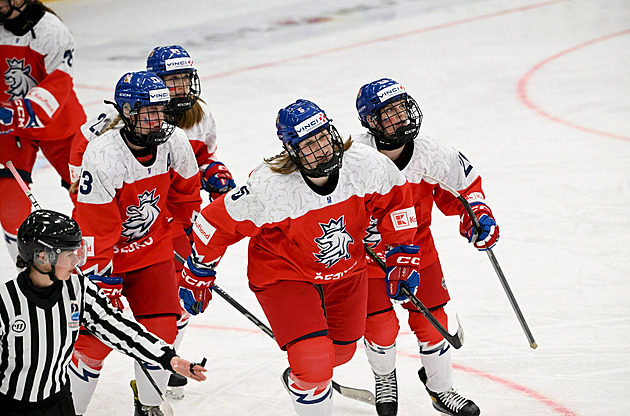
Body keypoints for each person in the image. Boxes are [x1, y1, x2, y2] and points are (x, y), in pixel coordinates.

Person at [180, 98, 421, 416]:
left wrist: (402, 252)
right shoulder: (272, 188)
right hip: (285, 273)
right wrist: (199, 270)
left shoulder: (364, 164)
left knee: (342, 353)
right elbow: (215, 222)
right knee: (314, 361)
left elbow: (396, 199)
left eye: (324, 137)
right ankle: (309, 378)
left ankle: (305, 379)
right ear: (291, 152)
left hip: (345, 269)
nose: (321, 149)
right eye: (309, 145)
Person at [354, 78, 500, 416]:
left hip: (417, 251)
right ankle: (385, 379)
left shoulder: (433, 154)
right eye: (387, 113)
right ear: (370, 122)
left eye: (401, 108)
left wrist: (476, 215)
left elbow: (465, 190)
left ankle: (441, 388)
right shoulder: (355, 158)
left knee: (433, 319)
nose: (399, 117)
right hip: (369, 258)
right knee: (379, 326)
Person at [68, 71, 202, 416]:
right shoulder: (103, 155)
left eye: (162, 110)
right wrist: (98, 278)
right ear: (127, 112)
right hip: (103, 257)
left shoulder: (176, 143)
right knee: (93, 345)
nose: (159, 119)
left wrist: (190, 248)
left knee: (161, 334)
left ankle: (149, 407)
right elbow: (95, 229)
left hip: (152, 253)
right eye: (149, 112)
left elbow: (187, 201)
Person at [0, 209, 206, 416]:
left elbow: (117, 327)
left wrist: (167, 357)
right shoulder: (5, 301)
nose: (77, 261)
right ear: (43, 257)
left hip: (59, 403)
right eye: (70, 254)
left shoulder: (78, 289)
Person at [145, 44, 236, 399]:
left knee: (185, 295)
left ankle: (165, 360)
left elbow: (202, 159)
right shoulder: (134, 117)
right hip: (139, 220)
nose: (181, 88)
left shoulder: (199, 116)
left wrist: (214, 173)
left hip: (180, 214)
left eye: (185, 79)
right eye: (172, 80)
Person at [0, 0, 87, 263]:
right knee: (11, 211)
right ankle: (27, 275)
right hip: (10, 131)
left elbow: (59, 81)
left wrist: (19, 111)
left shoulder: (52, 31)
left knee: (89, 195)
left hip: (59, 124)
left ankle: (99, 263)